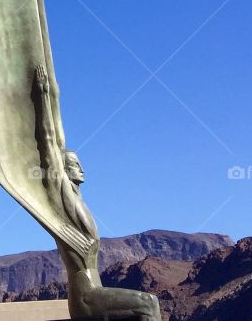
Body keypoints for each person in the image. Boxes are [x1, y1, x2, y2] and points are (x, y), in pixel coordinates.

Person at [33, 64, 161, 320]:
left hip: (95, 289)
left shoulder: (79, 203)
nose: (81, 168)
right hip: (86, 297)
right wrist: (43, 96)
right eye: (74, 165)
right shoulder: (62, 196)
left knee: (150, 305)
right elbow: (48, 141)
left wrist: (54, 95)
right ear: (62, 170)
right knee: (149, 304)